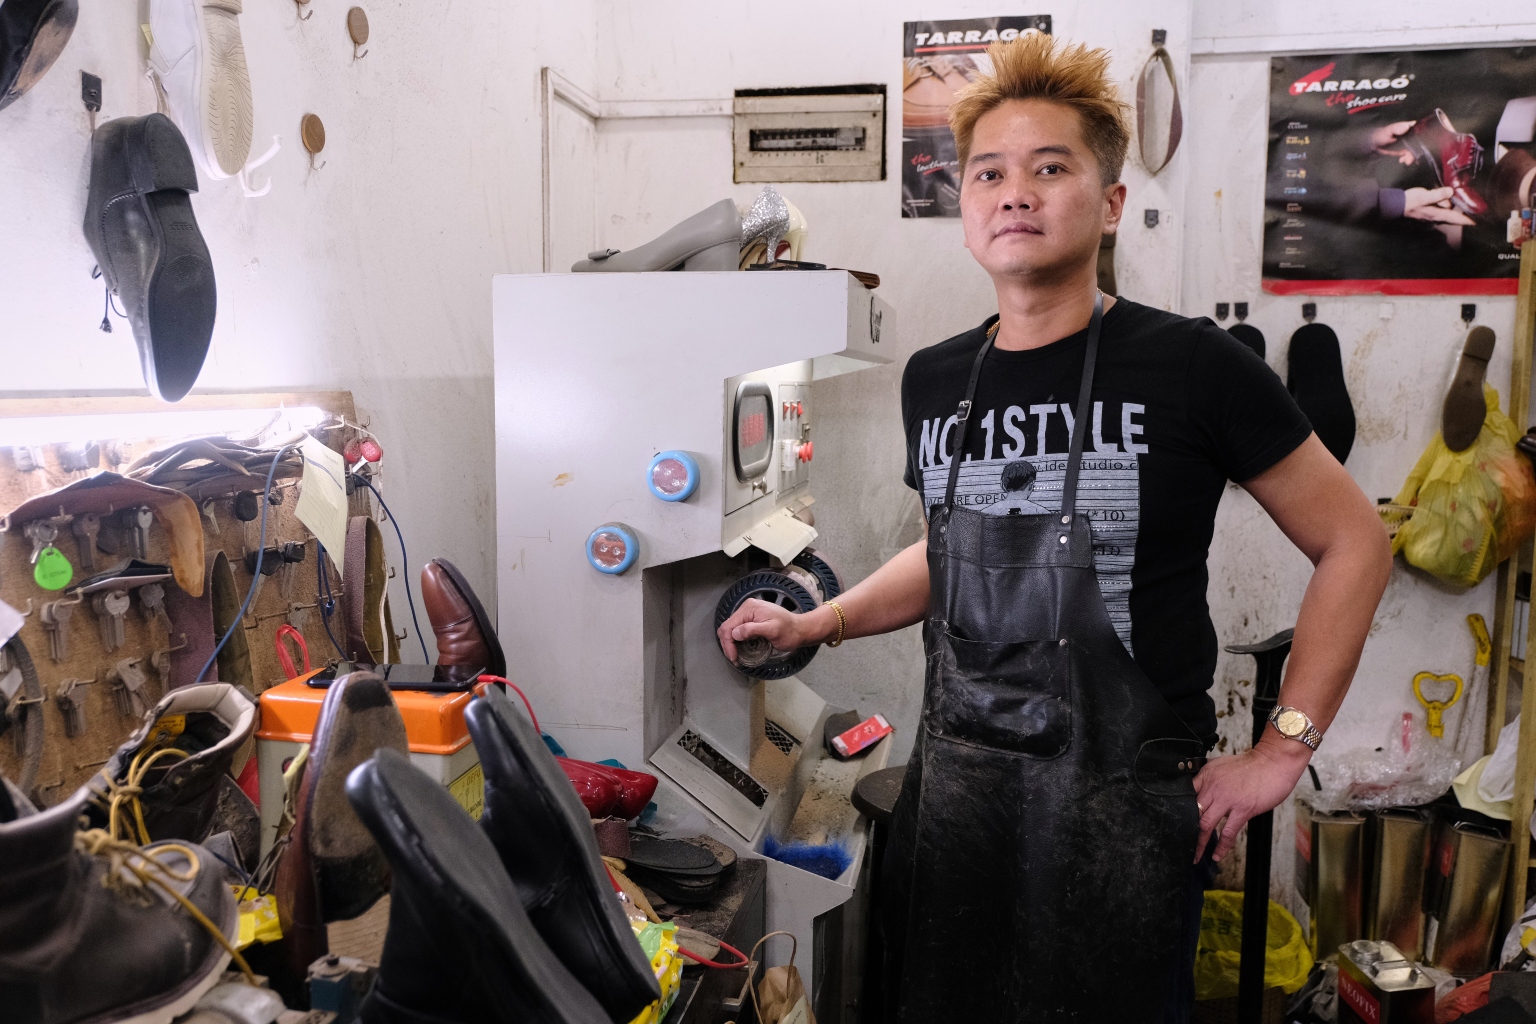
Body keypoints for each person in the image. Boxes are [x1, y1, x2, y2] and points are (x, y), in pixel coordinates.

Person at [717, 32, 1391, 1024]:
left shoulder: (1194, 367)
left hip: (1125, 809)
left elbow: (1357, 542)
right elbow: (953, 552)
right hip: (960, 801)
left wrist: (1283, 748)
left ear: (1109, 202)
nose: (1015, 193)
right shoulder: (936, 378)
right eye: (989, 172)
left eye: (1049, 167)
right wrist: (822, 622)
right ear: (964, 208)